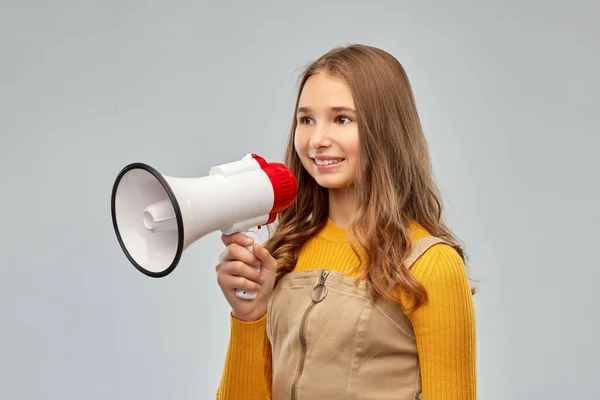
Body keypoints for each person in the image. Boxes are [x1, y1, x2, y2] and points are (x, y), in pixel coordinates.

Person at [214, 44, 477, 399]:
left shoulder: (431, 264)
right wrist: (248, 316)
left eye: (342, 119)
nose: (318, 140)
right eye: (306, 119)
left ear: (385, 130)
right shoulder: (284, 253)